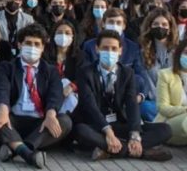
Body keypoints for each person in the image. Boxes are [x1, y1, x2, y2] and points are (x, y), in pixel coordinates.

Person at [72, 30, 173, 161]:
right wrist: (108, 132)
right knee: (81, 130)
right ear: (97, 49)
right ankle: (142, 153)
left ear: (120, 51)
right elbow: (89, 105)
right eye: (105, 48)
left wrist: (135, 136)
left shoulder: (127, 72)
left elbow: (132, 103)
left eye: (114, 48)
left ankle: (110, 150)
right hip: (96, 125)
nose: (109, 52)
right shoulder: (85, 72)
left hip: (119, 123)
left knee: (165, 129)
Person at [0, 23, 72, 168]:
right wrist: (3, 111)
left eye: (37, 44)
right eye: (28, 43)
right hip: (12, 120)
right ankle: (28, 154)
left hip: (40, 122)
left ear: (43, 47)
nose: (32, 47)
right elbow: (1, 89)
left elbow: (55, 94)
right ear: (19, 45)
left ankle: (15, 148)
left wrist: (50, 115)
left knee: (65, 121)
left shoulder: (50, 70)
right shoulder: (7, 67)